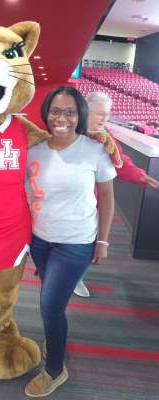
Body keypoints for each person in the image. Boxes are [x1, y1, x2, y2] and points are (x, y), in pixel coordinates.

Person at [25, 86, 116, 397]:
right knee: (53, 302)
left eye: (69, 112)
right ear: (46, 114)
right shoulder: (34, 149)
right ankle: (55, 336)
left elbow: (106, 196)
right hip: (40, 240)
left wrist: (102, 241)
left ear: (80, 117)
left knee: (50, 307)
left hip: (76, 243)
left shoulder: (94, 150)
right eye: (55, 111)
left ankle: (55, 369)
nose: (61, 117)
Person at [74, 92, 159, 298]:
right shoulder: (67, 131)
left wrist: (140, 176)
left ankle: (75, 277)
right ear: (85, 111)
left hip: (90, 202)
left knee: (87, 244)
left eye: (108, 114)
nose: (105, 119)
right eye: (100, 114)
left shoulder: (105, 137)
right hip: (63, 201)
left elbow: (120, 161)